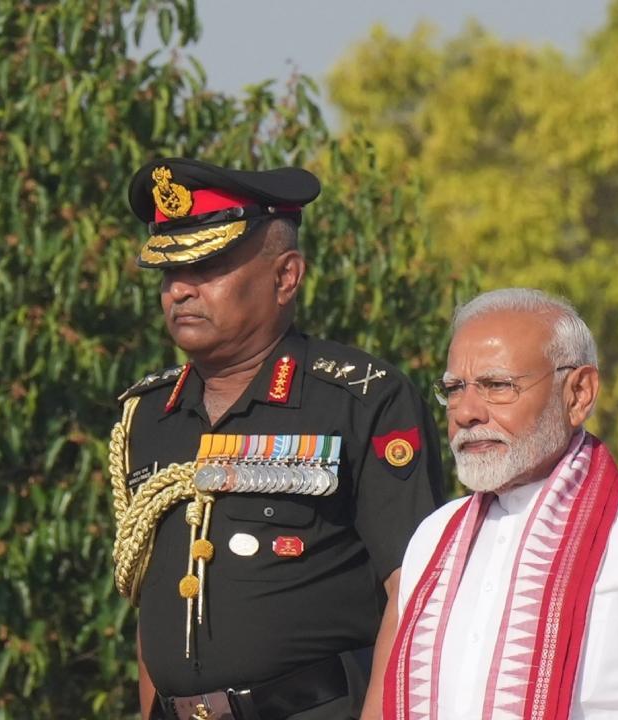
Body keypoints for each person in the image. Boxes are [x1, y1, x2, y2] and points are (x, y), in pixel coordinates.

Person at [108, 158, 444, 720]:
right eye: (169, 273)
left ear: (285, 277)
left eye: (207, 267)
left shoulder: (361, 400)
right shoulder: (148, 416)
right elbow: (153, 601)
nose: (181, 292)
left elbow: (413, 591)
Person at [384, 288, 618, 719]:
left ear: (578, 394)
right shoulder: (436, 537)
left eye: (497, 386)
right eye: (455, 388)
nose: (467, 412)